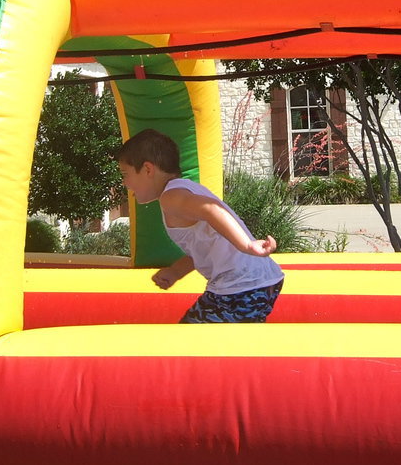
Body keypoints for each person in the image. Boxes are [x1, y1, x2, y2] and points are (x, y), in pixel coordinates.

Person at [115, 128, 284, 323]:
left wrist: (247, 245)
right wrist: (176, 271)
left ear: (148, 170)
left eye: (125, 174)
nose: (124, 183)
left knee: (191, 345)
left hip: (240, 286)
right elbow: (206, 246)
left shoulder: (171, 197)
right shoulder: (184, 189)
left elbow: (211, 210)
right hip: (257, 282)